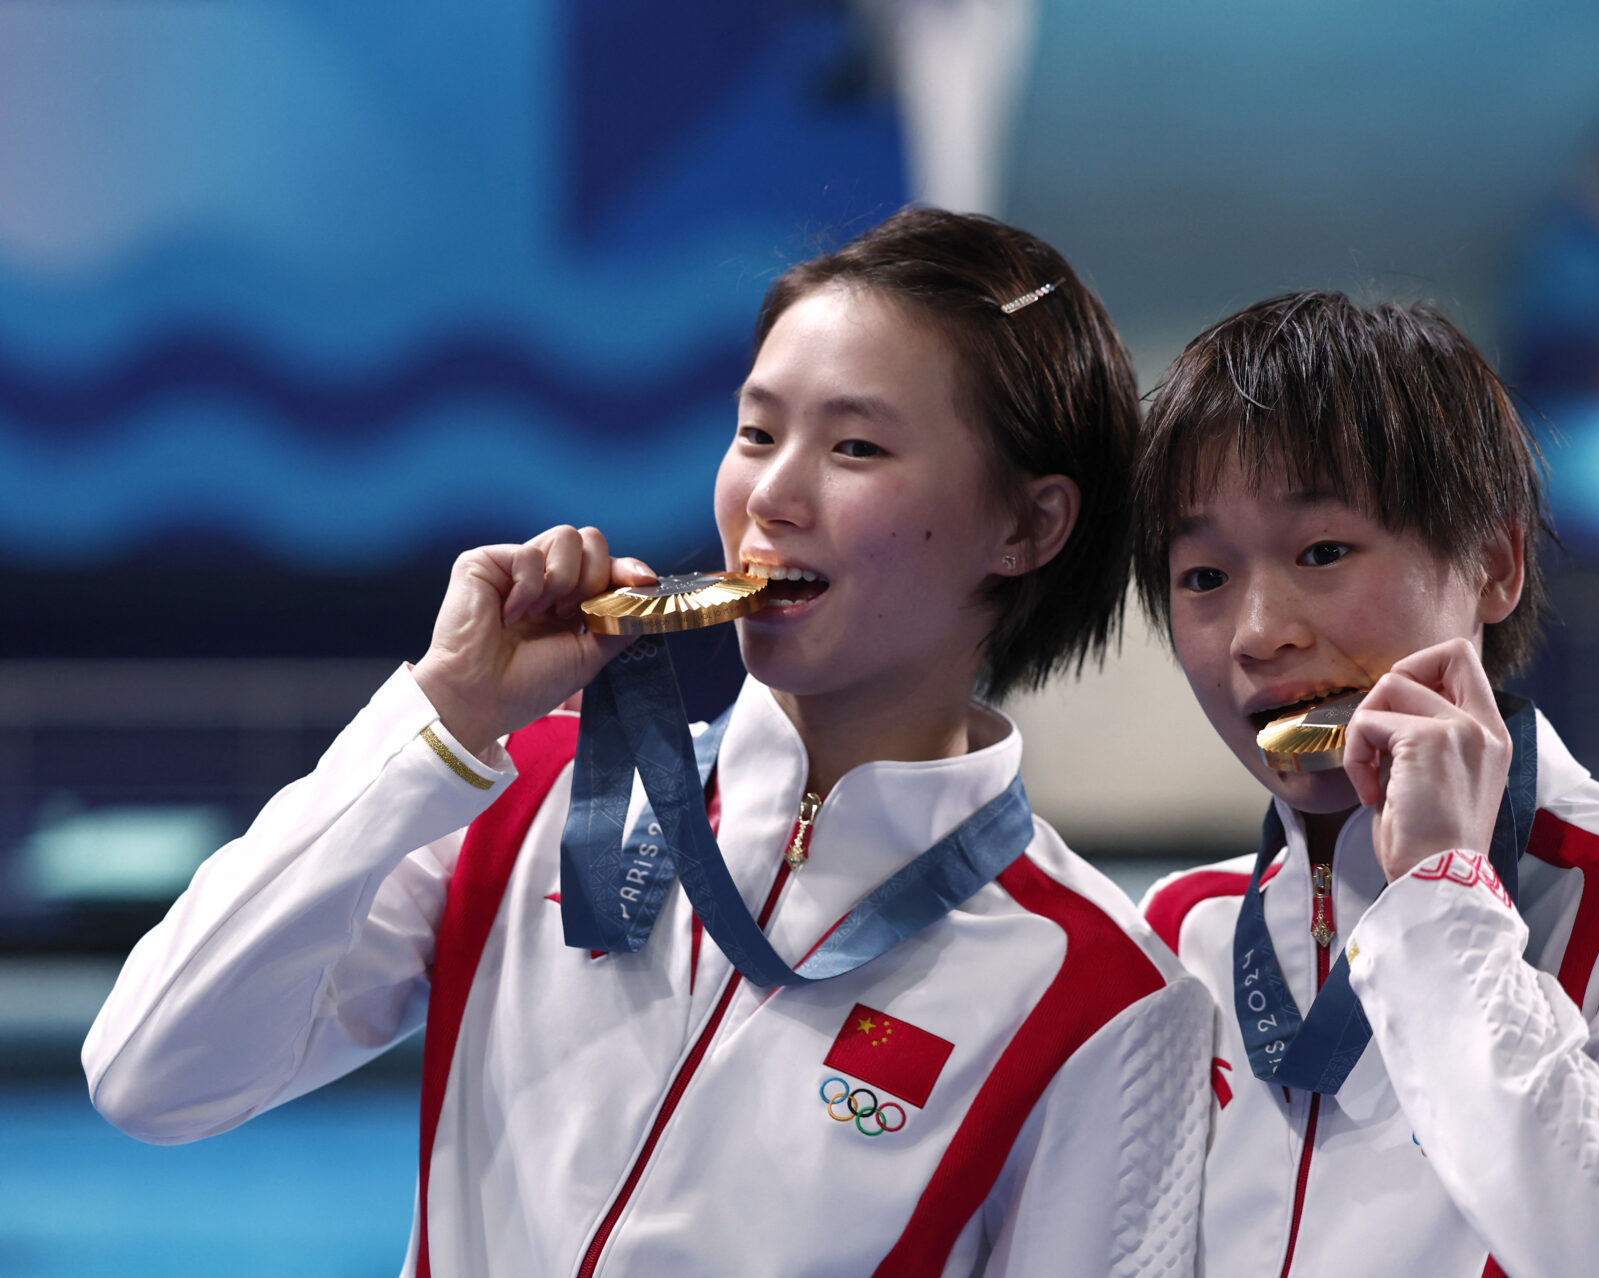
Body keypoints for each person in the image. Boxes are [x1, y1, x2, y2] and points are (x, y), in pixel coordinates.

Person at [84, 209, 1213, 1277]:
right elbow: (151, 1076)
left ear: (1027, 526)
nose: (771, 494)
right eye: (756, 431)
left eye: (856, 448)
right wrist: (440, 722)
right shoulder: (519, 795)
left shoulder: (1100, 991)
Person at [1135, 291, 1599, 1277]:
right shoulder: (1181, 931)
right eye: (1202, 577)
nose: (1257, 632)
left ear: (1493, 561)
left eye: (1322, 552)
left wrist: (1443, 899)